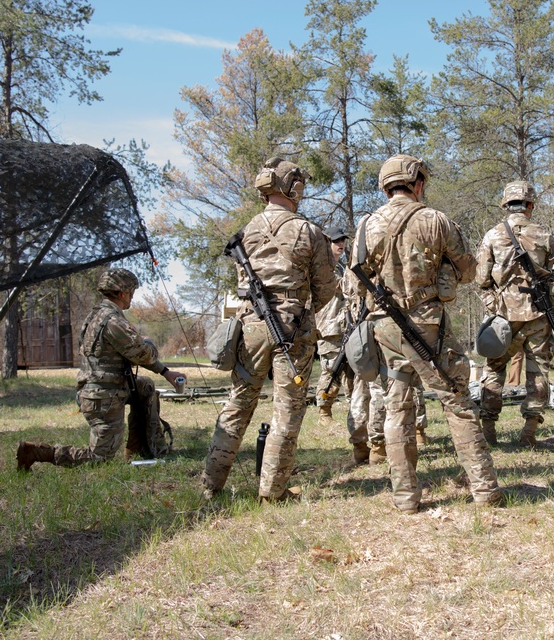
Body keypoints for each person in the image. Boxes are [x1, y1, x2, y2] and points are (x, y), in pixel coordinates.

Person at [349, 154, 501, 514]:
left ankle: (405, 498)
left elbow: (352, 283)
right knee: (457, 402)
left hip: (384, 326)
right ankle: (485, 490)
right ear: (417, 183)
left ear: (386, 185)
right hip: (428, 325)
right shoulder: (434, 219)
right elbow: (469, 272)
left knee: (396, 407)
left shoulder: (365, 226)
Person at [200, 158, 336, 502]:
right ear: (294, 189)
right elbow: (326, 290)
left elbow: (242, 282)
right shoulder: (307, 231)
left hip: (250, 326)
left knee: (238, 402)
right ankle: (272, 493)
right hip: (292, 327)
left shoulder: (248, 230)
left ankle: (209, 485)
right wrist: (298, 308)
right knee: (287, 410)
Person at [16, 268, 185, 470]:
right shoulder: (113, 321)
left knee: (145, 387)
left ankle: (144, 448)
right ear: (122, 293)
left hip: (105, 389)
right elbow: (143, 354)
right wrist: (148, 343)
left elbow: (127, 354)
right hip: (103, 397)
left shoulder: (96, 316)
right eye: (131, 291)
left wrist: (165, 372)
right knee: (98, 459)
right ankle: (37, 452)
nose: (132, 296)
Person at [475, 180, 554, 447]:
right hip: (539, 314)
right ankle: (528, 434)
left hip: (503, 315)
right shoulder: (545, 236)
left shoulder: (492, 235)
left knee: (494, 370)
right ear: (530, 205)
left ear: (506, 205)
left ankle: (489, 433)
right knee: (538, 370)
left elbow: (481, 275)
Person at [314, 225, 352, 421]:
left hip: (346, 325)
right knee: (331, 371)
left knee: (352, 370)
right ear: (326, 243)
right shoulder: (323, 266)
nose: (341, 244)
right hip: (329, 327)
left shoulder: (340, 267)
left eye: (343, 241)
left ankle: (355, 410)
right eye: (336, 241)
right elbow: (341, 287)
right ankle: (324, 409)